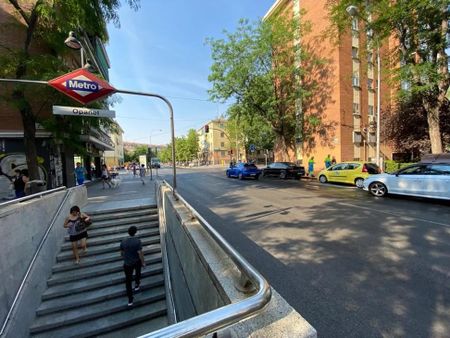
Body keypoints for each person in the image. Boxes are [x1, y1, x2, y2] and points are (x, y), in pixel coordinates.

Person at [120, 226, 146, 306]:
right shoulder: (137, 241)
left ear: (128, 232)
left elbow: (121, 253)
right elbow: (140, 253)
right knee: (138, 273)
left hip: (127, 263)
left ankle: (130, 300)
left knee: (128, 281)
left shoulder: (123, 241)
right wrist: (143, 262)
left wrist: (125, 258)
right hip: (136, 261)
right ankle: (137, 285)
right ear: (135, 232)